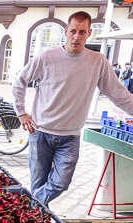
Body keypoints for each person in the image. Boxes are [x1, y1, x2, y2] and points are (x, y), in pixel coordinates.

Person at [12, 11, 133, 207]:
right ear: (66, 31)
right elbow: (19, 82)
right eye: (73, 31)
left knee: (60, 183)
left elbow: (118, 93)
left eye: (82, 32)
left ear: (89, 33)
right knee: (39, 184)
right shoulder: (46, 57)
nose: (77, 37)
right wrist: (21, 112)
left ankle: (26, 206)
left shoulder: (98, 61)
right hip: (40, 131)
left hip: (70, 136)